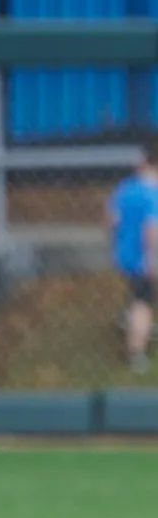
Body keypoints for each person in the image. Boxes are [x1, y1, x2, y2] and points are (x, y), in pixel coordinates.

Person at [109, 140, 158, 374]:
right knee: (144, 303)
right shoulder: (154, 194)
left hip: (125, 254)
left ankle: (128, 319)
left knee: (138, 292)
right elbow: (152, 231)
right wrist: (153, 259)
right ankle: (136, 353)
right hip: (145, 258)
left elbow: (112, 220)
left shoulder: (126, 187)